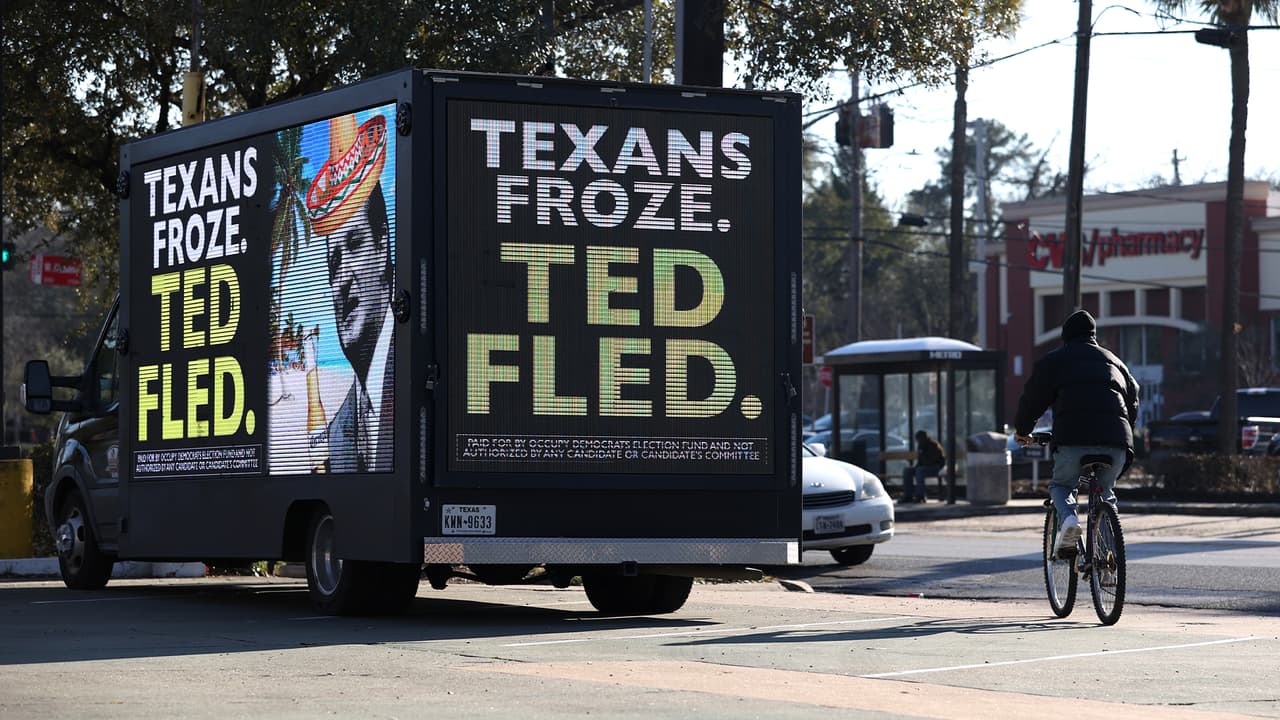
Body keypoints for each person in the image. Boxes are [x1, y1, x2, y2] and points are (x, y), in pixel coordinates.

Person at [307, 113, 396, 473]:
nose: (341, 279)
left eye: (355, 244)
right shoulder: (339, 432)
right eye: (332, 263)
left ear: (383, 244)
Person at [1014, 309, 1139, 557]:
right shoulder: (1116, 362)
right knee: (1106, 490)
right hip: (1117, 442)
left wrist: (1023, 431)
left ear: (1066, 336)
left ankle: (1070, 521)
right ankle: (1109, 560)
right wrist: (1123, 431)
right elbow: (1133, 398)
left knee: (1061, 486)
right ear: (1093, 335)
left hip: (1073, 439)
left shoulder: (1055, 361)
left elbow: (1032, 400)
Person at [902, 430, 945, 503]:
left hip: (936, 468)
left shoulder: (933, 445)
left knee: (920, 471)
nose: (918, 441)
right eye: (917, 439)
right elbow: (920, 461)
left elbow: (932, 461)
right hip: (924, 467)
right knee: (907, 470)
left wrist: (921, 463)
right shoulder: (921, 445)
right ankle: (908, 495)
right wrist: (916, 467)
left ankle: (920, 495)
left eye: (919, 439)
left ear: (924, 437)